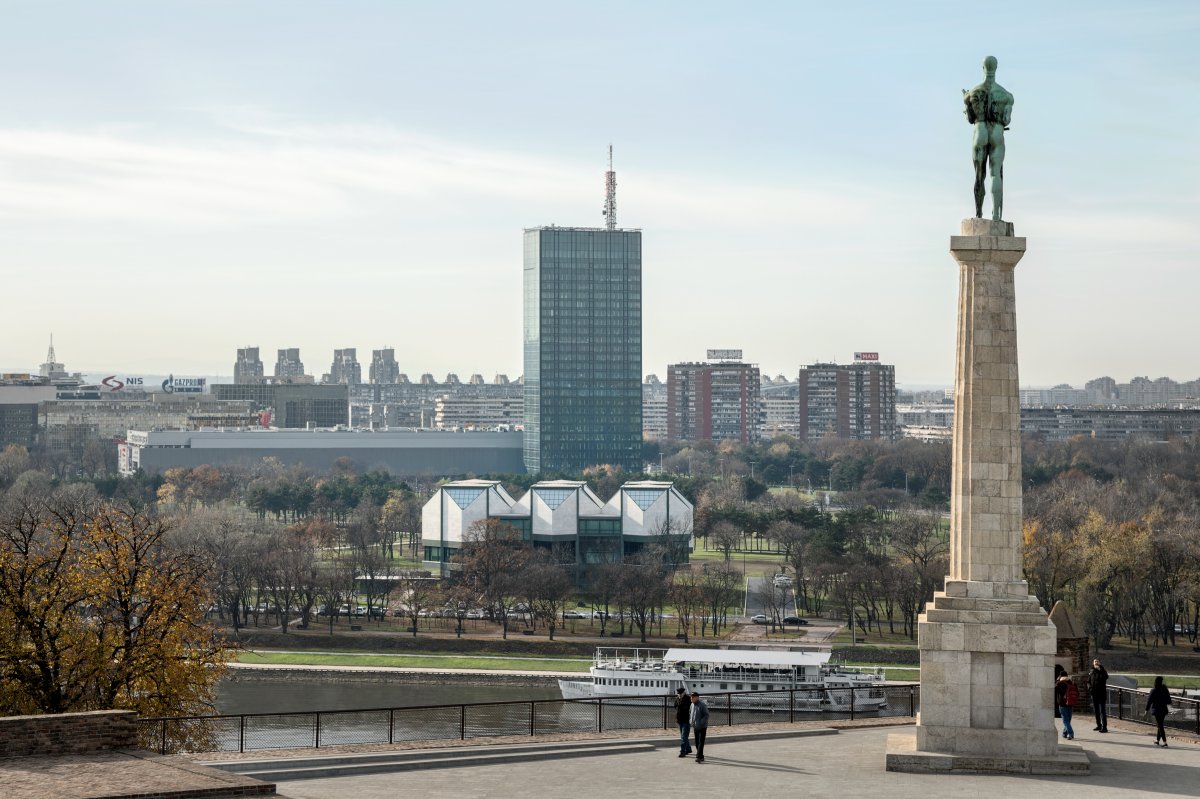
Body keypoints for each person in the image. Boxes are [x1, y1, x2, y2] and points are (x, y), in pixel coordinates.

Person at [962, 55, 1015, 221]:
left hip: (980, 131)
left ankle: (978, 213)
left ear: (983, 68)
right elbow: (1006, 120)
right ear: (996, 68)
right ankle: (996, 216)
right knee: (995, 174)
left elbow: (970, 119)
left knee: (979, 175)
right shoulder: (1006, 95)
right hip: (997, 132)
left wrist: (966, 106)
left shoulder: (972, 93)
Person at [1146, 676, 1173, 747]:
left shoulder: (1153, 690)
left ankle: (1165, 742)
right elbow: (1169, 701)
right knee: (1160, 724)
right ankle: (1157, 741)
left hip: (1157, 710)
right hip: (1163, 710)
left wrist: (1146, 709)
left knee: (1160, 725)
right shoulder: (1165, 690)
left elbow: (1149, 701)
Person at [1088, 658, 1110, 732]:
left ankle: (1104, 727)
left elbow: (1105, 678)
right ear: (1093, 663)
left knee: (1102, 711)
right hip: (1094, 694)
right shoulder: (1091, 671)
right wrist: (1090, 688)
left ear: (1099, 663)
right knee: (1096, 711)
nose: (1096, 663)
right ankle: (1099, 725)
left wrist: (1100, 670)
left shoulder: (1103, 670)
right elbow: (1088, 682)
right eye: (1095, 662)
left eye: (1097, 661)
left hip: (1102, 694)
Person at [689, 691, 710, 763]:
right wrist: (690, 721)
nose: (691, 698)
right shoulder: (692, 705)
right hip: (695, 726)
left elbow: (706, 715)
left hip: (702, 727)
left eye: (692, 697)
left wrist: (700, 723)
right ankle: (701, 756)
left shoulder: (702, 705)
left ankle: (698, 757)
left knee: (701, 742)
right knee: (696, 742)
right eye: (691, 697)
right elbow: (690, 713)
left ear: (697, 697)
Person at [1055, 674, 1077, 740]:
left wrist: (1057, 680)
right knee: (1068, 720)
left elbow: (1054, 688)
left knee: (1065, 721)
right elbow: (1077, 693)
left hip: (1062, 705)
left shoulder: (1060, 684)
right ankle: (1064, 733)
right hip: (1070, 704)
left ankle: (1071, 733)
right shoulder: (1072, 683)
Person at [674, 687, 693, 757]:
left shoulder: (688, 699)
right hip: (679, 719)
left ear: (684, 692)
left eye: (680, 694)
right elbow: (675, 706)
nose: (679, 695)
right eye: (678, 694)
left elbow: (691, 708)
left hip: (686, 720)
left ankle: (683, 751)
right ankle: (688, 749)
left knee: (684, 737)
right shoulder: (677, 698)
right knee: (683, 736)